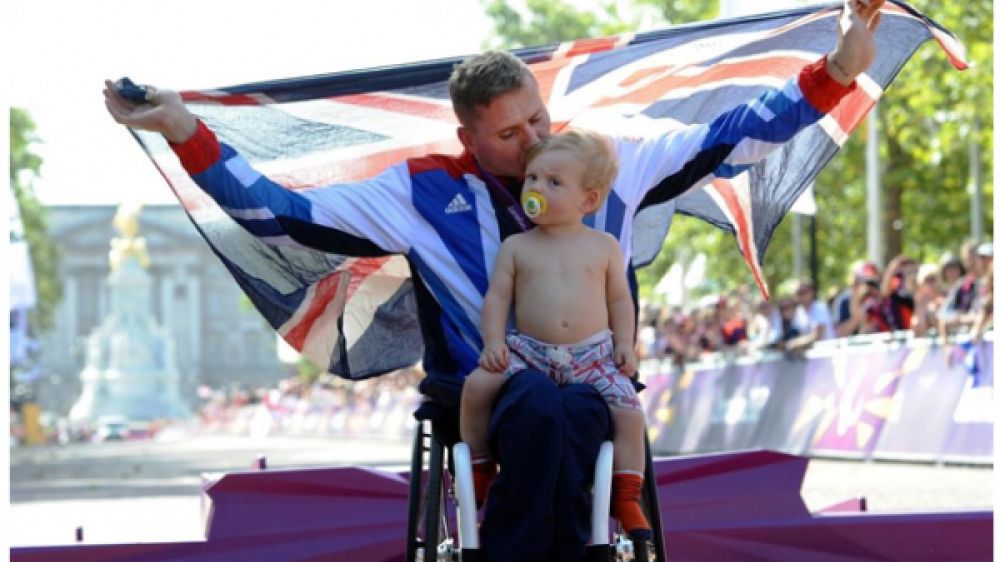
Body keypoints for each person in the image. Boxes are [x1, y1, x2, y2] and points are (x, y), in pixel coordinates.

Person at [102, 2, 883, 558]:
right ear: (468, 136)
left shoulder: (609, 160)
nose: (534, 140)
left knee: (569, 403)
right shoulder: (422, 191)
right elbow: (282, 214)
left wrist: (837, 71)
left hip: (590, 378)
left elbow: (732, 134)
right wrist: (185, 130)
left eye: (538, 119)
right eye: (509, 134)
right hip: (486, 384)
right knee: (543, 403)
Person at [461, 130, 650, 538]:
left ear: (589, 200)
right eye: (532, 178)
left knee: (630, 413)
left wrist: (624, 344)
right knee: (476, 388)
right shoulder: (517, 246)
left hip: (592, 356)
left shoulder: (604, 247)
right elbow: (497, 299)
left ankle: (627, 493)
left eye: (553, 182)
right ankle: (479, 467)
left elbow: (620, 301)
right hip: (529, 354)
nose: (536, 188)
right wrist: (494, 342)